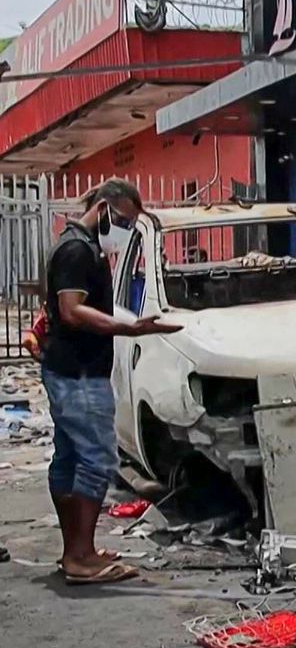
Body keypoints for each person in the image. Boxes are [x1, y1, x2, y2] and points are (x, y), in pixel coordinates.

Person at [43, 179, 181, 584]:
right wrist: (129, 328)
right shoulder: (75, 249)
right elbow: (71, 311)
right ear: (103, 208)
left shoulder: (81, 245)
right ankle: (81, 557)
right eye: (122, 220)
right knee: (97, 459)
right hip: (78, 373)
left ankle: (75, 550)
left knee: (69, 457)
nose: (122, 229)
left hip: (71, 368)